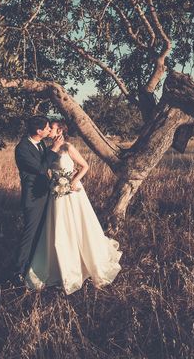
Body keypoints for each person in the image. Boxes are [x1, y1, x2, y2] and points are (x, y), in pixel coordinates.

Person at [25, 120, 122, 294]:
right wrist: (55, 184)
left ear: (60, 130)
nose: (48, 130)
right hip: (56, 195)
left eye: (51, 128)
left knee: (78, 227)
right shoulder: (49, 149)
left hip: (72, 193)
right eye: (47, 128)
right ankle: (59, 266)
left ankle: (84, 264)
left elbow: (85, 166)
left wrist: (73, 181)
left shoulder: (68, 147)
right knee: (59, 229)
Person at [12, 115, 64, 286]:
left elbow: (46, 162)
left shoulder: (40, 143)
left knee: (42, 233)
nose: (50, 130)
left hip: (46, 193)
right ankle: (18, 272)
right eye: (48, 128)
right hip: (33, 198)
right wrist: (54, 149)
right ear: (39, 131)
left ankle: (35, 266)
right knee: (30, 234)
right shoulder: (22, 148)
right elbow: (41, 169)